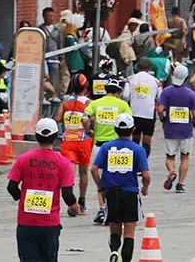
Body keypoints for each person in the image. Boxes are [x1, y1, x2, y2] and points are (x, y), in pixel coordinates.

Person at [7, 118, 78, 262]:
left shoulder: (23, 159)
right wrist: (74, 206)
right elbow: (67, 193)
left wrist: (22, 198)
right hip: (50, 224)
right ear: (56, 136)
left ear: (36, 136)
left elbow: (11, 187)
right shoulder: (63, 163)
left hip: (26, 222)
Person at [91, 114, 150, 262]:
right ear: (133, 129)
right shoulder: (138, 150)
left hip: (111, 193)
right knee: (129, 233)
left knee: (114, 229)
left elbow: (94, 169)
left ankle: (114, 251)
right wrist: (145, 188)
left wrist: (100, 186)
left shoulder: (106, 147)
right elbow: (146, 175)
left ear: (115, 129)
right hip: (130, 193)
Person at [85, 78, 133, 224]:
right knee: (117, 177)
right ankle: (116, 207)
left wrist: (89, 130)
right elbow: (130, 122)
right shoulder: (122, 104)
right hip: (117, 147)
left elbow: (85, 118)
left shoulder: (95, 103)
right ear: (118, 92)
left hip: (99, 146)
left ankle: (102, 208)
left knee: (99, 177)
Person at [157, 64, 195, 193]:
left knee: (170, 156)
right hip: (186, 130)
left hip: (170, 129)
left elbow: (160, 109)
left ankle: (171, 171)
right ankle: (180, 183)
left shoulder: (166, 92)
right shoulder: (191, 94)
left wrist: (162, 118)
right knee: (185, 156)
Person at [56, 73, 93, 215]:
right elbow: (90, 121)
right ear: (85, 86)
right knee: (83, 172)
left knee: (69, 173)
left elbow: (57, 118)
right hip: (84, 141)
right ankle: (82, 202)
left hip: (68, 142)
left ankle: (71, 203)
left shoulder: (66, 101)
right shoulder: (88, 102)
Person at [125, 58, 162, 157]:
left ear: (137, 67)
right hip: (148, 114)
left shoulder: (130, 79)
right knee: (147, 141)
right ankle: (143, 162)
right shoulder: (155, 81)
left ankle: (134, 161)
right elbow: (160, 97)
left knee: (135, 140)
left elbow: (125, 96)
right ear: (149, 68)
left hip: (134, 113)